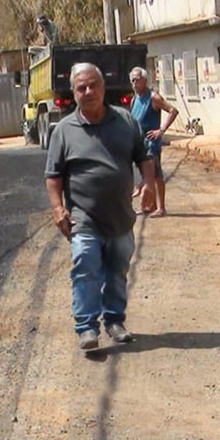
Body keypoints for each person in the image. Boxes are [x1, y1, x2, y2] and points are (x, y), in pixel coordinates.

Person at [45, 63, 157, 352]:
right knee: (85, 265)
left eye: (93, 85)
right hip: (83, 217)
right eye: (81, 87)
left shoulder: (125, 121)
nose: (88, 91)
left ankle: (115, 321)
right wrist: (58, 208)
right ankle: (86, 327)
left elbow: (143, 157)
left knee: (117, 270)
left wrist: (149, 184)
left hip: (121, 217)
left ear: (103, 87)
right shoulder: (64, 131)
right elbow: (53, 176)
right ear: (73, 93)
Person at [128, 67, 179, 216]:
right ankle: (150, 205)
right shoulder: (134, 99)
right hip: (140, 145)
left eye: (137, 79)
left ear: (144, 80)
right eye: (132, 80)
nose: (134, 83)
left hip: (151, 144)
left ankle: (161, 208)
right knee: (146, 176)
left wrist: (161, 130)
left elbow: (173, 111)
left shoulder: (153, 97)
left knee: (156, 176)